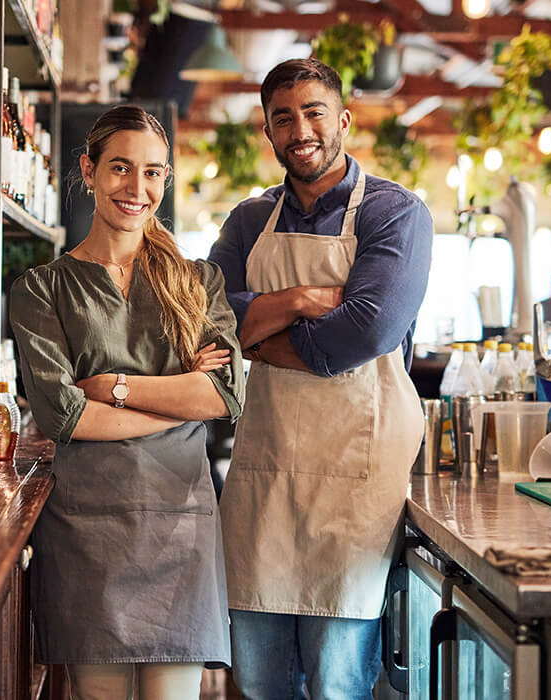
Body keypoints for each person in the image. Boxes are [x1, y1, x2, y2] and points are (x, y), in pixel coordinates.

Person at [207, 58, 433, 698]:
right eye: (283, 118)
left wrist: (260, 335)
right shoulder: (250, 221)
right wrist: (308, 297)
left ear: (344, 120)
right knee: (257, 682)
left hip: (356, 482)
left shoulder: (394, 214)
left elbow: (366, 331)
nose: (300, 129)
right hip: (267, 472)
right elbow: (204, 322)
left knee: (338, 684)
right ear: (268, 133)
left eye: (313, 112)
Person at [9, 104, 245, 699]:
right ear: (87, 171)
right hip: (90, 534)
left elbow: (222, 396)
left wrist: (114, 386)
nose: (136, 188)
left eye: (153, 173)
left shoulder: (198, 283)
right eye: (120, 168)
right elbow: (63, 415)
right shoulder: (42, 288)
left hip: (182, 525)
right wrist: (174, 402)